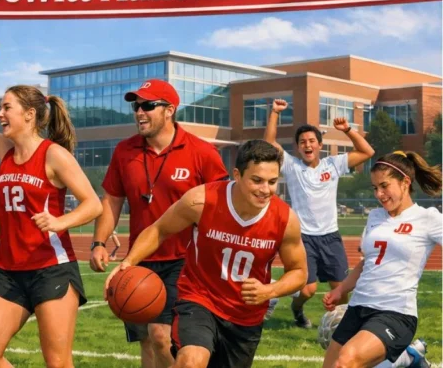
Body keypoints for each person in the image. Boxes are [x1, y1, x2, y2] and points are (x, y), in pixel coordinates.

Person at [105, 139, 308, 368]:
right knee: (190, 362)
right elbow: (159, 230)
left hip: (245, 315)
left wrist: (270, 290)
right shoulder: (201, 200)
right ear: (237, 175)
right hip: (199, 299)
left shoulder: (285, 219)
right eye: (257, 180)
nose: (265, 190)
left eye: (272, 182)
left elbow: (299, 271)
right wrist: (129, 262)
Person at [0, 42, 102, 368]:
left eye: (6, 108)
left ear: (29, 115)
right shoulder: (4, 151)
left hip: (50, 268)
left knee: (57, 362)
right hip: (10, 271)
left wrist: (60, 222)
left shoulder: (54, 155)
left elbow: (92, 204)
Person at [89, 78, 228, 367]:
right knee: (147, 341)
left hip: (185, 261)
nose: (140, 112)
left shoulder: (201, 152)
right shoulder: (125, 151)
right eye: (136, 106)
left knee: (162, 335)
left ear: (169, 110)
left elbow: (223, 204)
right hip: (139, 258)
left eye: (148, 105)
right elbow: (112, 200)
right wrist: (99, 242)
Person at [321, 151, 441, 368]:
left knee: (346, 361)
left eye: (384, 186)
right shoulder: (375, 216)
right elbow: (368, 262)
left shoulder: (427, 218)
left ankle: (407, 357)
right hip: (358, 308)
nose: (379, 194)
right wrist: (340, 290)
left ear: (405, 182)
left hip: (395, 313)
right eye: (375, 188)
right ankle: (410, 359)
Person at [264, 98, 375, 328]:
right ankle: (297, 311)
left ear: (320, 145)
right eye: (302, 141)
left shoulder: (333, 164)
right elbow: (269, 144)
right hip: (303, 238)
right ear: (297, 147)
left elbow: (367, 151)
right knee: (308, 289)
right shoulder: (292, 166)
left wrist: (347, 130)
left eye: (312, 141)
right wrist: (274, 112)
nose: (307, 145)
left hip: (331, 237)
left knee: (341, 288)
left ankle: (339, 326)